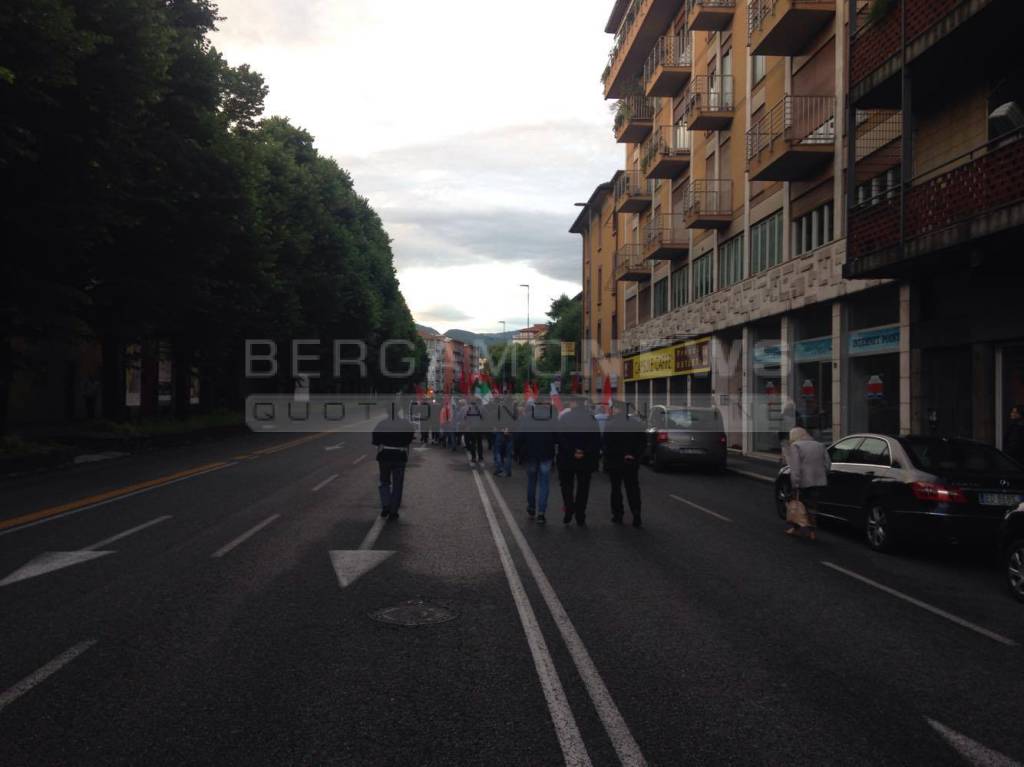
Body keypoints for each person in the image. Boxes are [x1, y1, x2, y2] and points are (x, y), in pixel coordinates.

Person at [557, 398, 602, 526]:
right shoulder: (591, 418)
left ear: (573, 404)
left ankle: (569, 507)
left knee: (566, 485)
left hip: (567, 458)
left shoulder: (565, 418)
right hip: (585, 459)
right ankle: (580, 514)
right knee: (583, 487)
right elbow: (596, 439)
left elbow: (561, 438)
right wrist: (584, 451)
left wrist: (572, 451)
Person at [603, 401, 646, 528]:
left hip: (615, 462)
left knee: (616, 489)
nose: (611, 411)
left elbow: (606, 444)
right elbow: (642, 443)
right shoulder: (636, 424)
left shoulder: (610, 424)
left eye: (613, 409)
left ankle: (618, 515)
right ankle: (636, 513)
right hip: (631, 461)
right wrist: (634, 455)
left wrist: (611, 457)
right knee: (632, 488)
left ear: (617, 410)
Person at [514, 398, 557, 524]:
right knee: (544, 483)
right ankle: (541, 513)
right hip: (546, 454)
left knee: (532, 481)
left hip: (530, 454)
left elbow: (518, 437)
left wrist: (517, 453)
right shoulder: (552, 418)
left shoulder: (527, 418)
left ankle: (532, 507)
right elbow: (558, 437)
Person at [785, 427, 830, 541]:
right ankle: (812, 533)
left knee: (797, 505)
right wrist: (822, 475)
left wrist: (795, 483)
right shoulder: (820, 445)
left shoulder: (796, 446)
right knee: (812, 507)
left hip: (803, 481)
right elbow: (828, 464)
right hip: (818, 481)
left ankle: (795, 529)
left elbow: (795, 467)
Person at [372, 407, 415, 521]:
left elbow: (375, 441)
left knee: (384, 482)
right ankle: (394, 511)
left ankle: (386, 505)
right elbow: (410, 438)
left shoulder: (381, 424)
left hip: (385, 455)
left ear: (387, 412)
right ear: (398, 412)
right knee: (397, 485)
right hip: (400, 456)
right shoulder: (406, 424)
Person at [492, 397, 516, 477]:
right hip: (510, 433)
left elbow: (495, 421)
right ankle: (508, 471)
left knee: (498, 451)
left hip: (500, 432)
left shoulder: (499, 410)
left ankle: (499, 467)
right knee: (508, 454)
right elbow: (516, 422)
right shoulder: (514, 411)